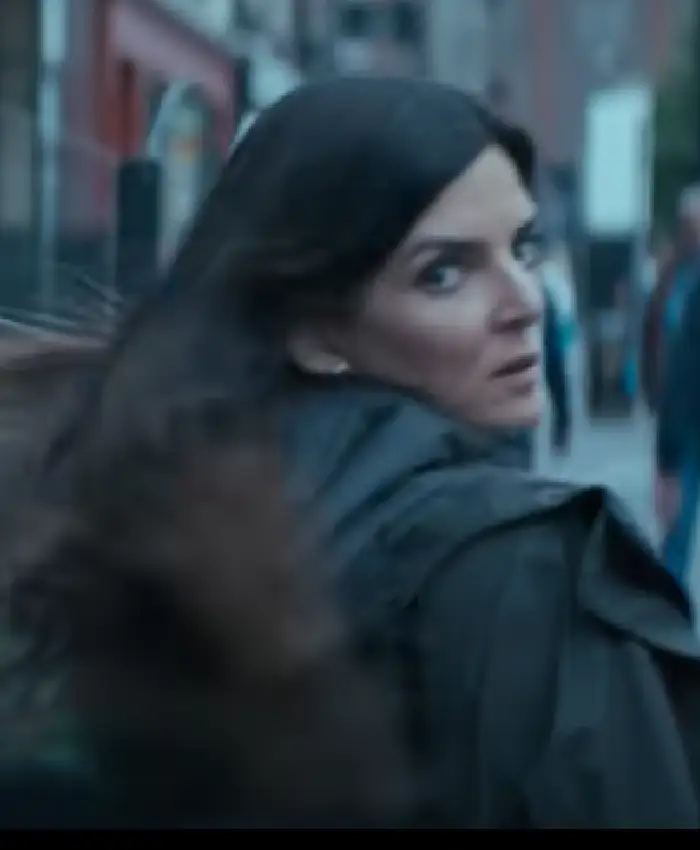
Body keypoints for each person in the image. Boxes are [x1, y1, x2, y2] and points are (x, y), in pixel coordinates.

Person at [5, 77, 700, 828]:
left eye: (521, 249)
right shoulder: (526, 566)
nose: (525, 302)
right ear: (315, 332)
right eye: (444, 273)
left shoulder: (107, 513)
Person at [653, 188, 700, 586]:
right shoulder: (674, 275)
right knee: (676, 532)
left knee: (676, 535)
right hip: (685, 423)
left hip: (685, 417)